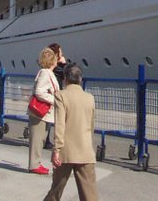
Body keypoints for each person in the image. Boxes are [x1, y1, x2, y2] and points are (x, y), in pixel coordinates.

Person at [44, 63, 98, 201]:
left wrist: (56, 149)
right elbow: (91, 126)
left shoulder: (61, 96)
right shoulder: (90, 98)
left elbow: (60, 124)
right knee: (89, 194)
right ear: (80, 79)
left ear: (65, 79)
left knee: (56, 190)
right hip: (85, 150)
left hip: (65, 151)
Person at [28, 46, 59, 175]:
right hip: (40, 112)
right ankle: (34, 164)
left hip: (43, 113)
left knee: (40, 138)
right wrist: (54, 99)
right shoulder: (46, 73)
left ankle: (36, 163)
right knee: (37, 138)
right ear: (52, 60)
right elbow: (39, 91)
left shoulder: (46, 72)